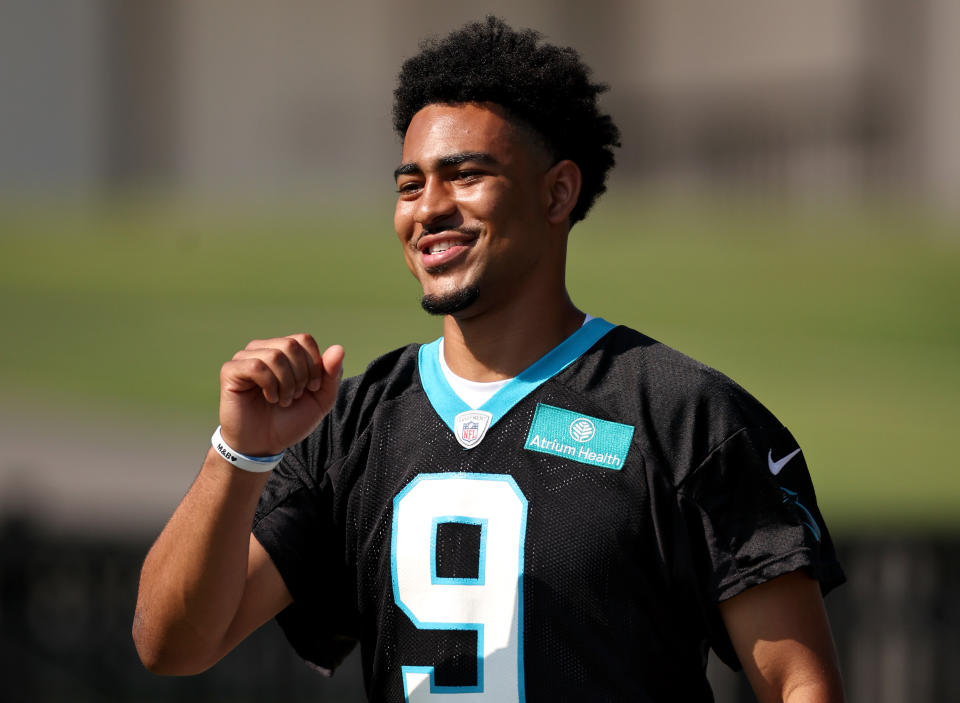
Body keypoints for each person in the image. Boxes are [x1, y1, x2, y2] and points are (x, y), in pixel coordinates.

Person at [133, 16, 845, 702]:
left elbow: (798, 683)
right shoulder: (350, 424)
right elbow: (171, 645)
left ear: (557, 191)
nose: (428, 208)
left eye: (465, 175)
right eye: (410, 185)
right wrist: (239, 454)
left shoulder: (683, 416)